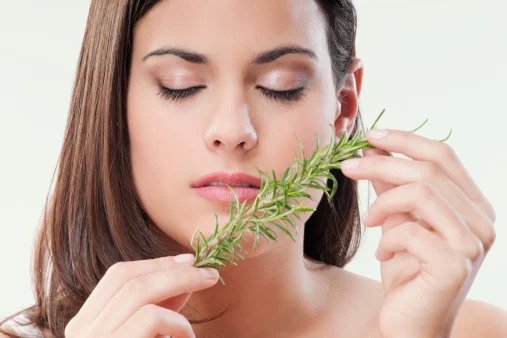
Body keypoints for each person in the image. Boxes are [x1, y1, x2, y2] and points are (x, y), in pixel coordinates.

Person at [1, 0, 506, 337]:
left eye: (281, 85)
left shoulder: (464, 329)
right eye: (180, 84)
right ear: (114, 103)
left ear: (343, 104)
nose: (232, 129)